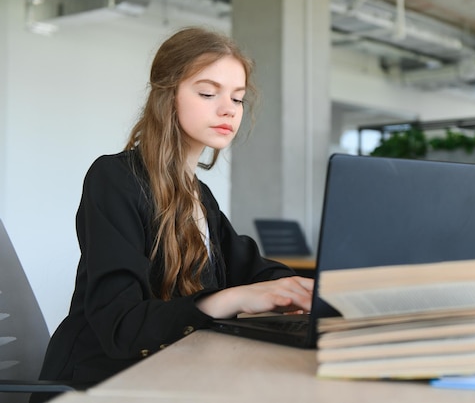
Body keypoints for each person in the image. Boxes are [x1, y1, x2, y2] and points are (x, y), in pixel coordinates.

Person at [36, 26, 313, 395]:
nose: (227, 108)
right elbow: (121, 326)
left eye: (238, 98)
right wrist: (231, 298)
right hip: (100, 384)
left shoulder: (200, 196)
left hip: (171, 374)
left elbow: (258, 272)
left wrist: (304, 291)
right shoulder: (114, 178)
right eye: (208, 92)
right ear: (167, 95)